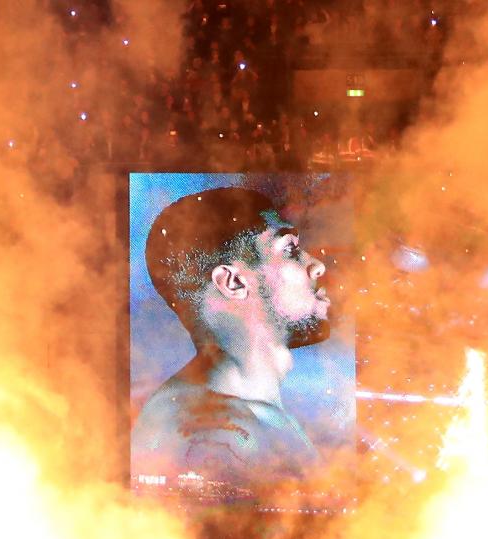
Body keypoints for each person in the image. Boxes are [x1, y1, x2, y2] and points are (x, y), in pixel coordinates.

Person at [131, 185, 335, 493]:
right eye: (290, 250)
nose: (317, 265)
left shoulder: (245, 416)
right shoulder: (213, 435)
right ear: (234, 281)